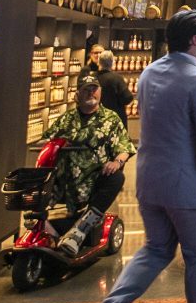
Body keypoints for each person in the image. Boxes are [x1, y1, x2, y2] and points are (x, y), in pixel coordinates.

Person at [99, 10, 196, 303]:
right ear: (195, 39)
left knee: (155, 250)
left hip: (150, 184)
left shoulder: (148, 73)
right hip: (190, 190)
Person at [42, 72, 135, 256]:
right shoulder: (67, 119)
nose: (91, 94)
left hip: (95, 177)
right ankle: (43, 228)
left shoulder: (110, 119)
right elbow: (47, 141)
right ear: (78, 94)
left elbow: (125, 146)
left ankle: (81, 230)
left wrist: (117, 161)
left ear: (100, 92)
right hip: (66, 179)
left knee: (116, 178)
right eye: (86, 90)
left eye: (94, 89)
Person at [96, 49, 134, 129]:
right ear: (112, 63)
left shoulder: (93, 78)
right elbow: (128, 98)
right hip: (115, 117)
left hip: (97, 117)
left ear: (99, 62)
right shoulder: (116, 78)